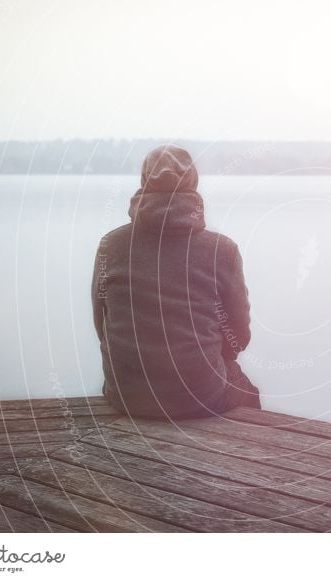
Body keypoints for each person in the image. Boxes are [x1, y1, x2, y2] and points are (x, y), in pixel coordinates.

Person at [91, 145, 261, 419]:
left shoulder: (110, 245)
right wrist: (215, 357)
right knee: (248, 392)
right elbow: (238, 336)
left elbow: (102, 323)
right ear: (193, 183)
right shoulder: (222, 250)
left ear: (144, 182)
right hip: (200, 395)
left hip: (126, 394)